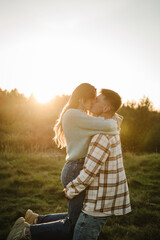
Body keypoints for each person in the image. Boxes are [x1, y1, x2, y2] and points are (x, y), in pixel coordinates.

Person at [6, 83, 120, 240]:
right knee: (73, 224)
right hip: (76, 169)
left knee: (77, 217)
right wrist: (115, 120)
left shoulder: (78, 114)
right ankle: (26, 232)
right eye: (92, 99)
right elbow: (108, 126)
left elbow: (105, 126)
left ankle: (36, 219)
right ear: (82, 99)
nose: (94, 102)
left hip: (75, 168)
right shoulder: (74, 115)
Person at [64, 89, 131, 240]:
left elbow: (89, 172)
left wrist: (69, 190)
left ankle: (29, 230)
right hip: (102, 200)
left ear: (106, 108)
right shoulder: (109, 127)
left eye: (98, 100)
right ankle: (35, 222)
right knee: (71, 222)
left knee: (72, 227)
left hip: (97, 204)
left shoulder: (101, 135)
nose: (93, 102)